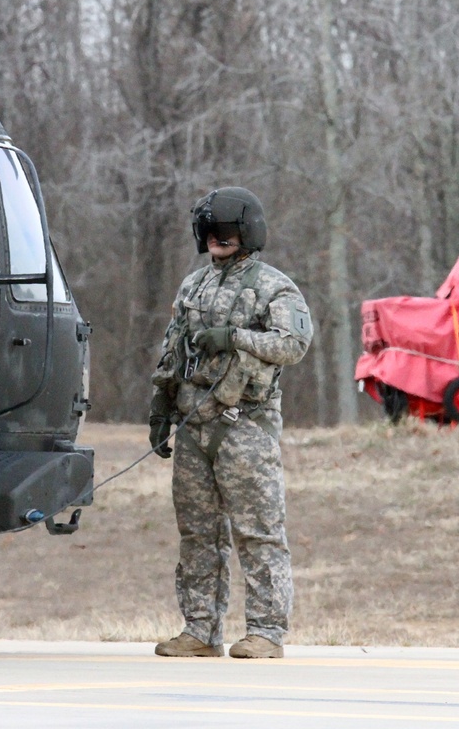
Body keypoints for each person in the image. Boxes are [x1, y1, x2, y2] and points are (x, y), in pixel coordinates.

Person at [149, 186, 312, 659]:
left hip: (245, 425)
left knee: (258, 531)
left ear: (247, 232)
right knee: (198, 533)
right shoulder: (192, 285)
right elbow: (172, 347)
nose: (216, 239)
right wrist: (160, 406)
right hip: (192, 425)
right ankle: (201, 631)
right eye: (209, 231)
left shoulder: (274, 287)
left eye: (226, 231)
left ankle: (266, 632)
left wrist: (235, 337)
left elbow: (293, 345)